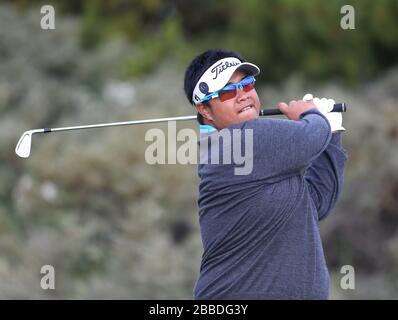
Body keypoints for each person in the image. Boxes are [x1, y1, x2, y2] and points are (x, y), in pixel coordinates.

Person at [183, 49, 348, 299]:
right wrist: (311, 114)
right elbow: (310, 136)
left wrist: (332, 131)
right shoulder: (232, 146)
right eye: (228, 91)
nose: (242, 95)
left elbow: (317, 202)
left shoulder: (267, 158)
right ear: (205, 110)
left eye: (247, 85)